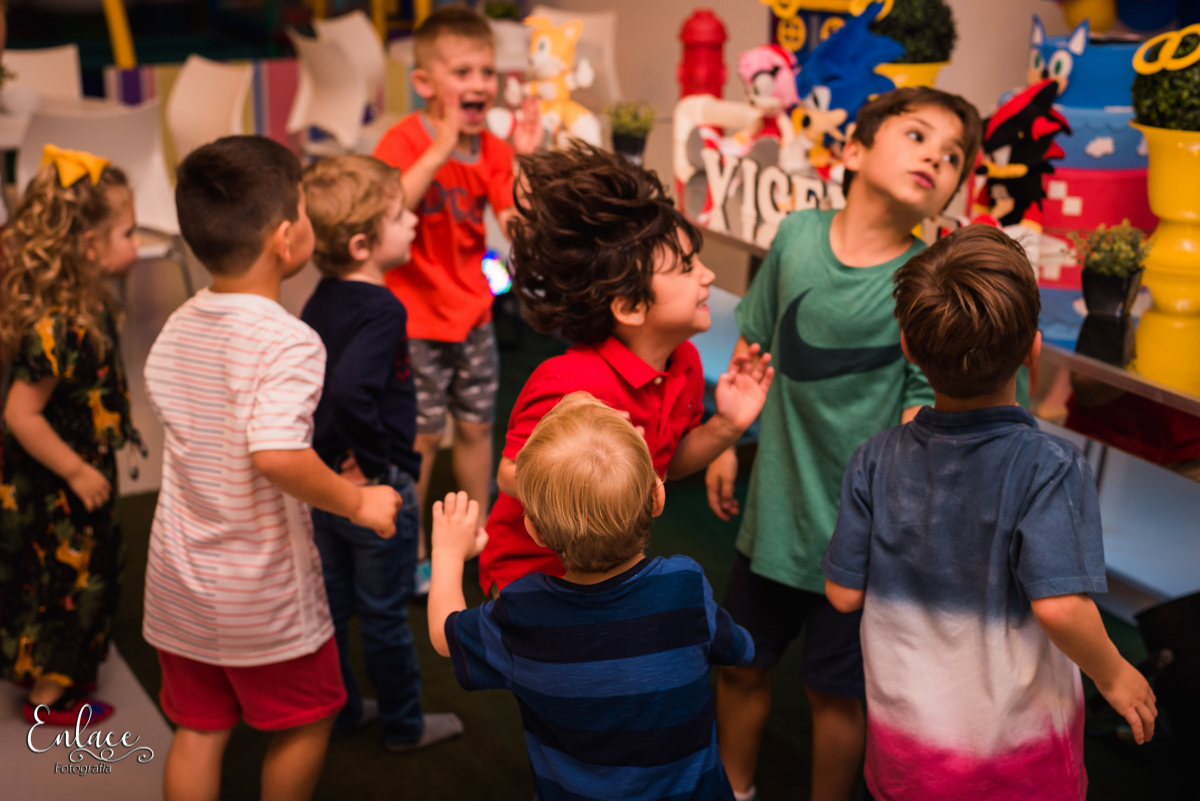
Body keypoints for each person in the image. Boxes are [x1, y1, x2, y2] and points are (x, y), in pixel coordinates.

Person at [706, 87, 984, 801]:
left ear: (954, 190)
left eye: (953, 156)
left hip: (862, 544)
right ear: (853, 151)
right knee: (739, 664)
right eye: (918, 135)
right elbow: (754, 344)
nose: (936, 157)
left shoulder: (929, 280)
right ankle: (732, 788)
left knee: (837, 696)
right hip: (772, 519)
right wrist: (728, 438)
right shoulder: (797, 235)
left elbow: (922, 419)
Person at [823, 224, 1157, 800]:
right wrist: (1115, 673)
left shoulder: (874, 458)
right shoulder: (1050, 467)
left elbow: (843, 595)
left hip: (906, 757)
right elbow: (1058, 608)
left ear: (908, 347)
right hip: (1015, 768)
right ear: (1032, 350)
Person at [142, 136, 402, 801]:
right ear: (287, 239)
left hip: (179, 580)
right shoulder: (288, 339)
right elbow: (277, 454)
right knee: (309, 717)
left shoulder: (177, 325)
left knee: (199, 728)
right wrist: (357, 500)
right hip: (262, 592)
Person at [428, 392, 756, 800]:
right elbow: (739, 648)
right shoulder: (685, 584)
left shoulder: (523, 613)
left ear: (535, 530)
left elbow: (445, 637)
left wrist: (446, 553)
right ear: (657, 497)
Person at [478, 142, 774, 594]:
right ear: (631, 306)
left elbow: (667, 464)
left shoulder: (685, 363)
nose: (708, 275)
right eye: (686, 267)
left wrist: (728, 426)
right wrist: (591, 461)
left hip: (606, 573)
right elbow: (509, 475)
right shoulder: (568, 383)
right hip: (530, 577)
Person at [372, 4, 540, 589]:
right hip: (414, 322)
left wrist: (525, 162)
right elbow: (388, 208)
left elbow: (515, 222)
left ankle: (477, 540)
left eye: (487, 72)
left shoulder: (493, 149)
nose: (479, 85)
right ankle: (411, 551)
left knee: (475, 428)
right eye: (463, 72)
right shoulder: (403, 140)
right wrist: (440, 147)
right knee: (418, 439)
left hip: (472, 316)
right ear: (424, 84)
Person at [299, 154, 463, 752]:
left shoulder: (321, 297)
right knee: (387, 613)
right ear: (366, 243)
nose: (414, 221)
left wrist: (337, 453)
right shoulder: (384, 309)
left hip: (325, 480)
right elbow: (346, 392)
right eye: (401, 215)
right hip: (376, 483)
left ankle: (342, 712)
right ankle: (403, 724)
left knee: (335, 607)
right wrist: (371, 464)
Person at [0, 146, 140, 725]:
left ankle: (61, 669)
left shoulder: (82, 303)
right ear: (89, 248)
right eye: (129, 232)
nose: (138, 242)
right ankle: (47, 698)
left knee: (82, 571)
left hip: (74, 469)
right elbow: (20, 413)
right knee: (67, 580)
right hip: (56, 483)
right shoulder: (61, 325)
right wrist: (78, 471)